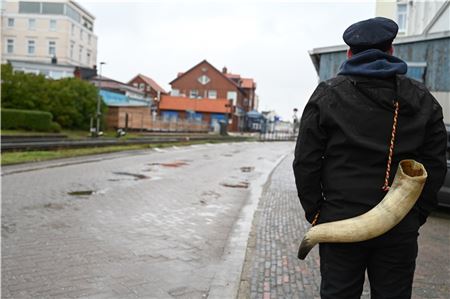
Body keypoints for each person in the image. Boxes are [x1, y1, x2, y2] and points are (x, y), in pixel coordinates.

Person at [293, 17, 447, 299]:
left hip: (339, 223)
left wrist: (317, 214)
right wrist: (415, 214)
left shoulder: (327, 95)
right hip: (399, 226)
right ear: (391, 51)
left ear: (349, 53)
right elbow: (435, 165)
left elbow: (305, 162)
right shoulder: (423, 98)